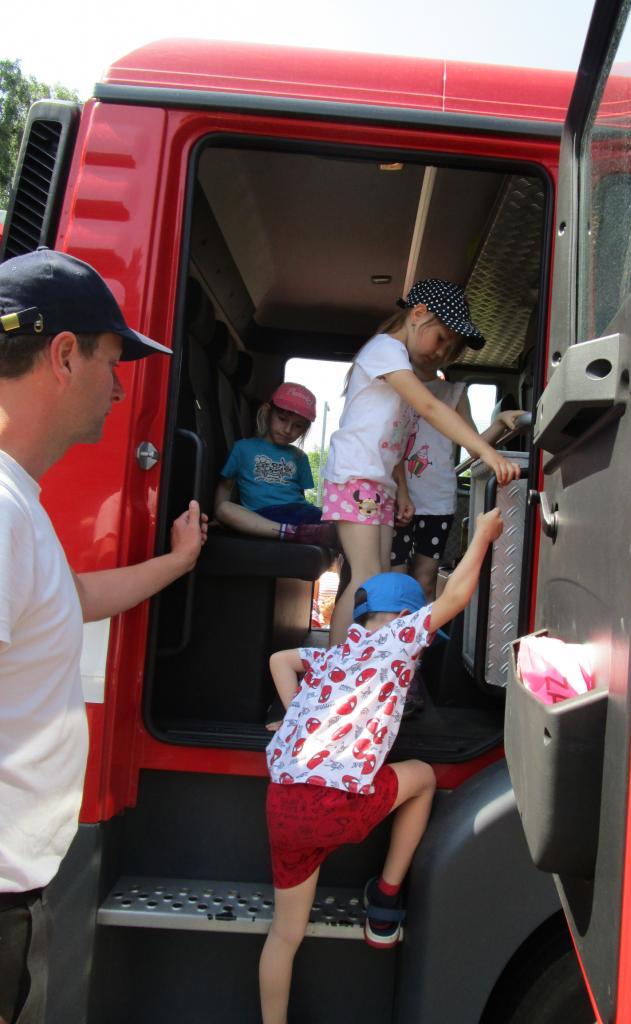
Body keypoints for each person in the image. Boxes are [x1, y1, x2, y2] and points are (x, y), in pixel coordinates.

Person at [0, 247, 208, 1024]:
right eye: (112, 364)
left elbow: (72, 598)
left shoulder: (20, 506)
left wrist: (177, 563)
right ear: (63, 355)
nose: (121, 390)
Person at [258, 507, 504, 1024]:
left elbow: (281, 659)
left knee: (284, 934)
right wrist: (482, 533)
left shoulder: (335, 653)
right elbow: (456, 597)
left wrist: (293, 715)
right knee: (424, 778)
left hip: (283, 804)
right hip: (337, 804)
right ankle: (386, 904)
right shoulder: (397, 641)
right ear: (408, 620)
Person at [321, 279, 519, 644]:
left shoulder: (399, 365)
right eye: (441, 338)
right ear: (418, 314)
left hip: (378, 483)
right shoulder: (385, 350)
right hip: (355, 477)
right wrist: (487, 451)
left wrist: (401, 490)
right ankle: (337, 666)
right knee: (366, 578)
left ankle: (362, 661)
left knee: (379, 578)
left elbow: (395, 445)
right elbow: (429, 407)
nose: (441, 352)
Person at [392, 341, 525, 600]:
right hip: (397, 494)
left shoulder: (455, 392)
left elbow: (475, 447)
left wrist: (499, 421)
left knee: (425, 579)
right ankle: (393, 627)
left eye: (448, 346)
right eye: (436, 340)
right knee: (394, 579)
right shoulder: (396, 383)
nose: (437, 350)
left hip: (437, 500)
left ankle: (422, 628)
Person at [214, 381, 335, 547]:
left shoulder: (300, 456)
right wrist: (218, 518)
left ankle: (298, 532)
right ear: (267, 412)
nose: (288, 430)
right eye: (282, 419)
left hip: (297, 512)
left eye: (298, 426)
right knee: (224, 509)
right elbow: (226, 486)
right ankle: (290, 532)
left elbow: (301, 496)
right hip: (259, 516)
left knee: (337, 524)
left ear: (304, 430)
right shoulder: (242, 448)